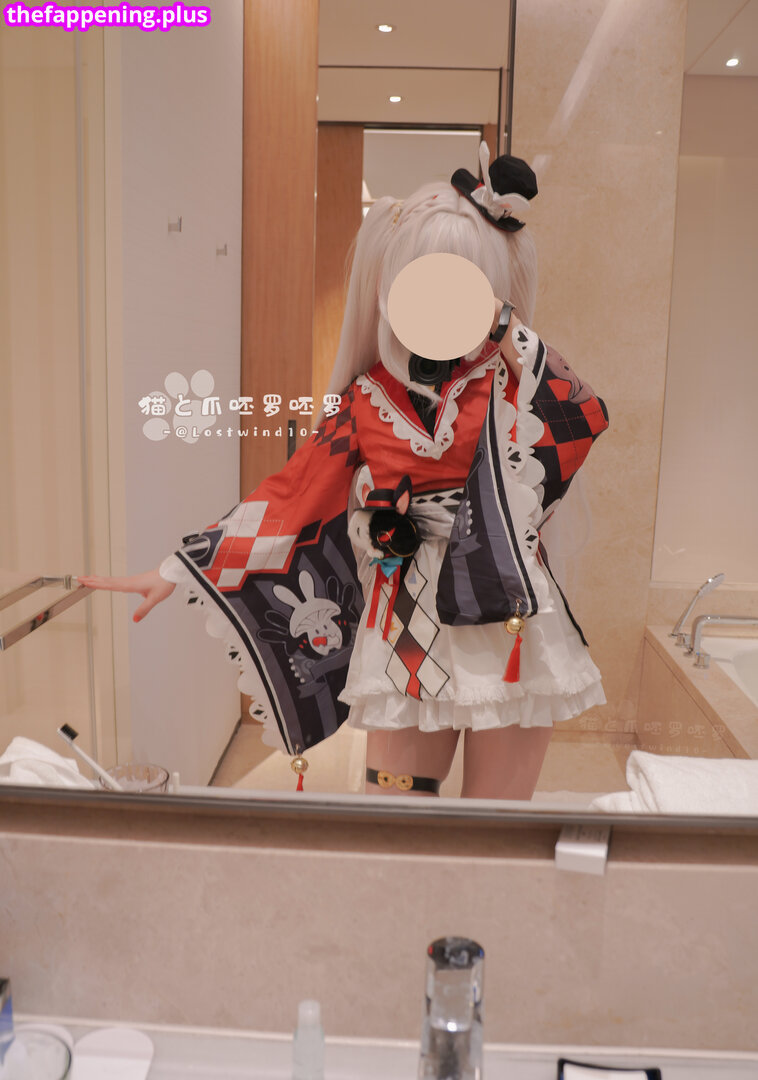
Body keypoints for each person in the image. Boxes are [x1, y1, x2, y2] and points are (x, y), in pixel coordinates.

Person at [79, 143, 609, 801]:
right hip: (408, 619)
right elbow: (292, 494)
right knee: (396, 818)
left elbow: (583, 414)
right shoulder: (366, 398)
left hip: (509, 623)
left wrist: (505, 329)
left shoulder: (512, 382)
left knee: (496, 832)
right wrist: (176, 569)